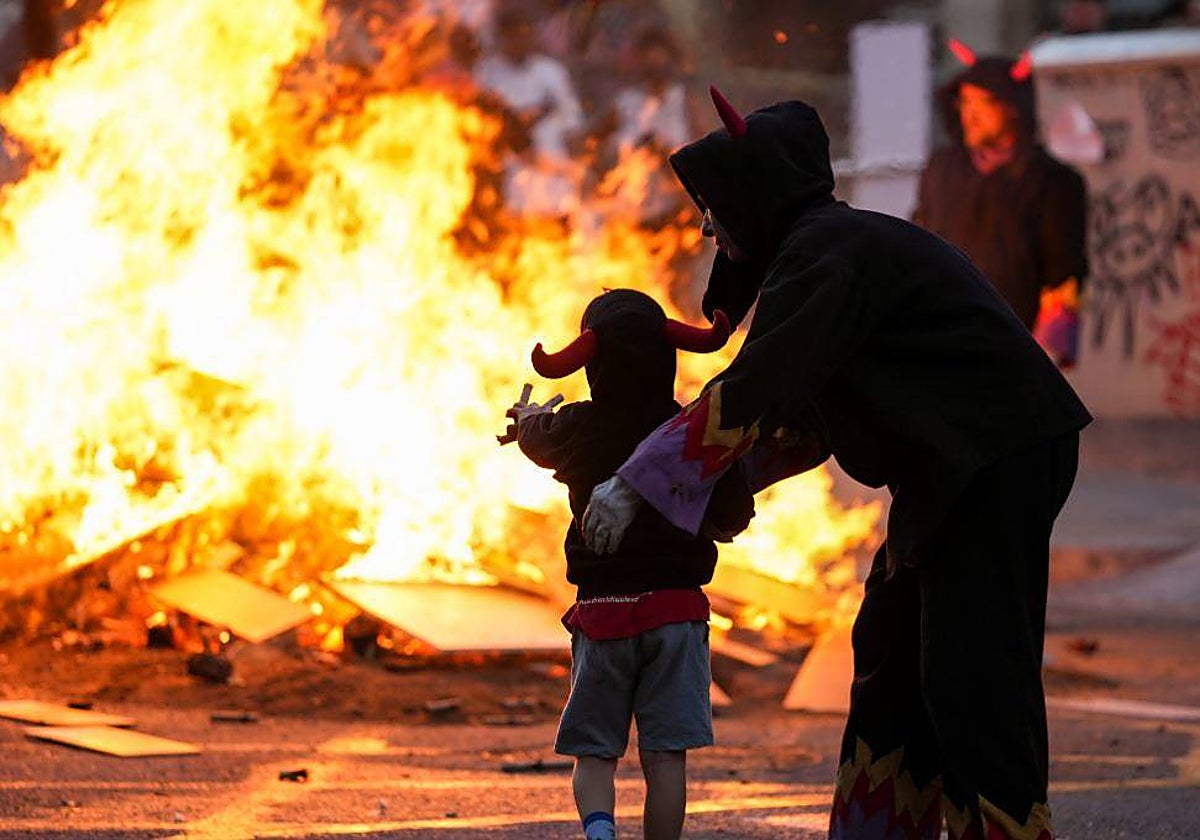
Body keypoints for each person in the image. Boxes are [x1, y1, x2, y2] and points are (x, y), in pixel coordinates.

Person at [580, 88, 1092, 840]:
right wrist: (715, 494)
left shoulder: (829, 251)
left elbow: (760, 385)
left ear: (756, 196)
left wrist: (637, 484)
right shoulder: (821, 251)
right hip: (950, 471)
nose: (707, 227)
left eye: (714, 209)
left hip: (996, 460)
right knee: (890, 654)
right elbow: (804, 422)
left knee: (971, 676)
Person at [503, 289, 754, 840]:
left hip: (604, 615)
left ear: (592, 362)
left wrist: (526, 420)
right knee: (665, 759)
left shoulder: (579, 425)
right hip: (676, 615)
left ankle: (601, 833)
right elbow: (735, 511)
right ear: (668, 355)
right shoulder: (690, 434)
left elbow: (539, 437)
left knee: (595, 753)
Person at [912, 40, 1089, 363]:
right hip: (939, 341)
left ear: (1013, 108)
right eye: (965, 102)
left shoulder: (1053, 181)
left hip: (1011, 349)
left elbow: (1063, 275)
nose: (970, 115)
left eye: (982, 103)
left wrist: (1048, 354)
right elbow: (918, 244)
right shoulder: (942, 168)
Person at [474, 5, 584, 217]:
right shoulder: (487, 73)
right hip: (512, 175)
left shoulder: (552, 72)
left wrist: (577, 164)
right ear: (502, 37)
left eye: (527, 35)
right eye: (515, 36)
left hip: (554, 170)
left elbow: (572, 119)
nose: (522, 41)